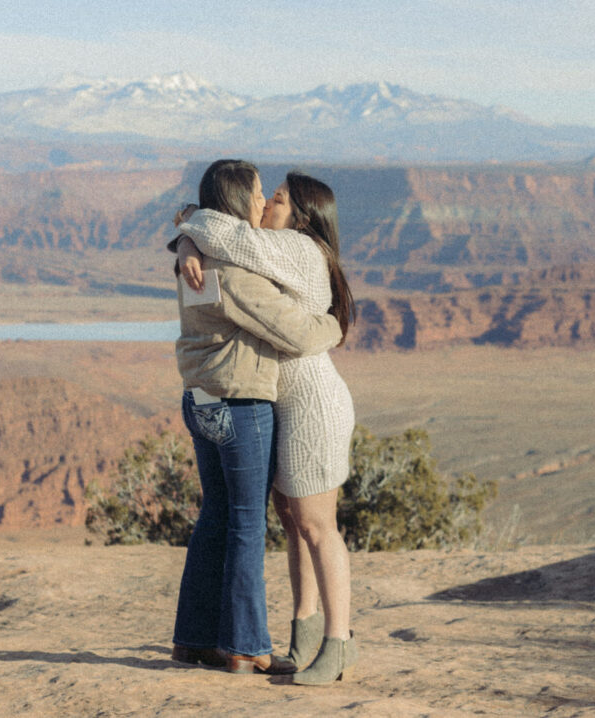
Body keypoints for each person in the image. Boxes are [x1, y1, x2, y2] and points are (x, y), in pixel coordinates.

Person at [176, 170, 357, 685]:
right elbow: (230, 238)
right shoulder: (258, 251)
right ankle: (303, 630)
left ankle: (337, 643)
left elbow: (233, 238)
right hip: (279, 402)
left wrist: (189, 226)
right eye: (261, 194)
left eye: (274, 198)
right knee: (293, 524)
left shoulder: (296, 248)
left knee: (317, 527)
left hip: (312, 404)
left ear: (300, 217)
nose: (265, 204)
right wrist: (187, 235)